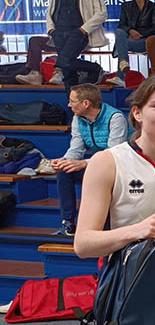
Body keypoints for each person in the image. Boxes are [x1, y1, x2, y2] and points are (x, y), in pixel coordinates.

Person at [73, 74, 155, 259]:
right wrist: (137, 231)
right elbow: (83, 245)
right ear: (137, 113)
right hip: (128, 279)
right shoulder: (107, 162)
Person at [51, 84, 127, 236]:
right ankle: (69, 223)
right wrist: (64, 161)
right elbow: (76, 149)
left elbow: (114, 155)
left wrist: (83, 163)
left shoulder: (115, 118)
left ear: (86, 103)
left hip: (121, 167)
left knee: (98, 175)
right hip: (98, 164)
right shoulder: (78, 119)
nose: (69, 104)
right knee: (64, 172)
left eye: (72, 101)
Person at [28, 0, 106, 92]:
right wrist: (51, 30)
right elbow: (49, 11)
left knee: (63, 63)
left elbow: (101, 13)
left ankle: (95, 68)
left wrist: (83, 29)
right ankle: (73, 108)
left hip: (78, 32)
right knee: (68, 76)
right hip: (58, 33)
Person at [113, 0, 155, 78]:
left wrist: (140, 34)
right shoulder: (126, 6)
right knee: (119, 32)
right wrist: (130, 31)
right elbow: (122, 24)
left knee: (120, 44)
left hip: (145, 41)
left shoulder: (153, 7)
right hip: (130, 40)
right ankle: (123, 63)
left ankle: (121, 76)